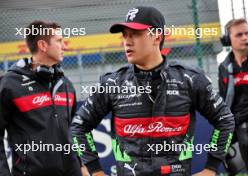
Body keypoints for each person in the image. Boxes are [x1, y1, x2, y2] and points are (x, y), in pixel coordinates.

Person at [70, 6, 235, 176]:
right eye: (125, 35)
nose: (127, 41)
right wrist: (95, 171)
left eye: (135, 34)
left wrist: (211, 169)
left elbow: (225, 120)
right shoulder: (112, 83)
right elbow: (78, 126)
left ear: (157, 36)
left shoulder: (189, 79)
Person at [0, 21, 82, 176]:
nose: (65, 46)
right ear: (43, 45)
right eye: (59, 41)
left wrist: (81, 165)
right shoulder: (9, 84)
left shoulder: (66, 84)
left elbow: (75, 131)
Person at [218, 18, 248, 173]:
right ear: (228, 39)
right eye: (239, 34)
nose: (245, 37)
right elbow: (224, 100)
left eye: (247, 33)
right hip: (237, 123)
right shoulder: (225, 67)